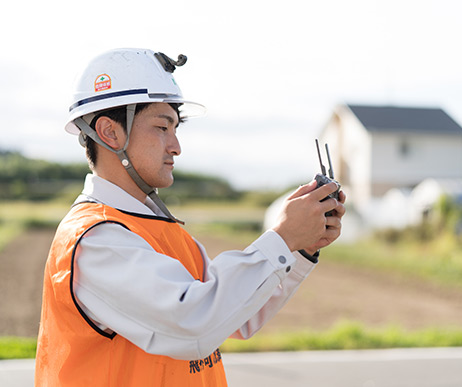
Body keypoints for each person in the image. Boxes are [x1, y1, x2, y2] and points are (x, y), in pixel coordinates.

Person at [35, 48, 346, 387]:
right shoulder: (95, 240)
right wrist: (283, 239)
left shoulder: (156, 229)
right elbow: (194, 323)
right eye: (161, 127)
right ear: (110, 133)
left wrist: (301, 248)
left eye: (175, 128)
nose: (176, 146)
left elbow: (233, 315)